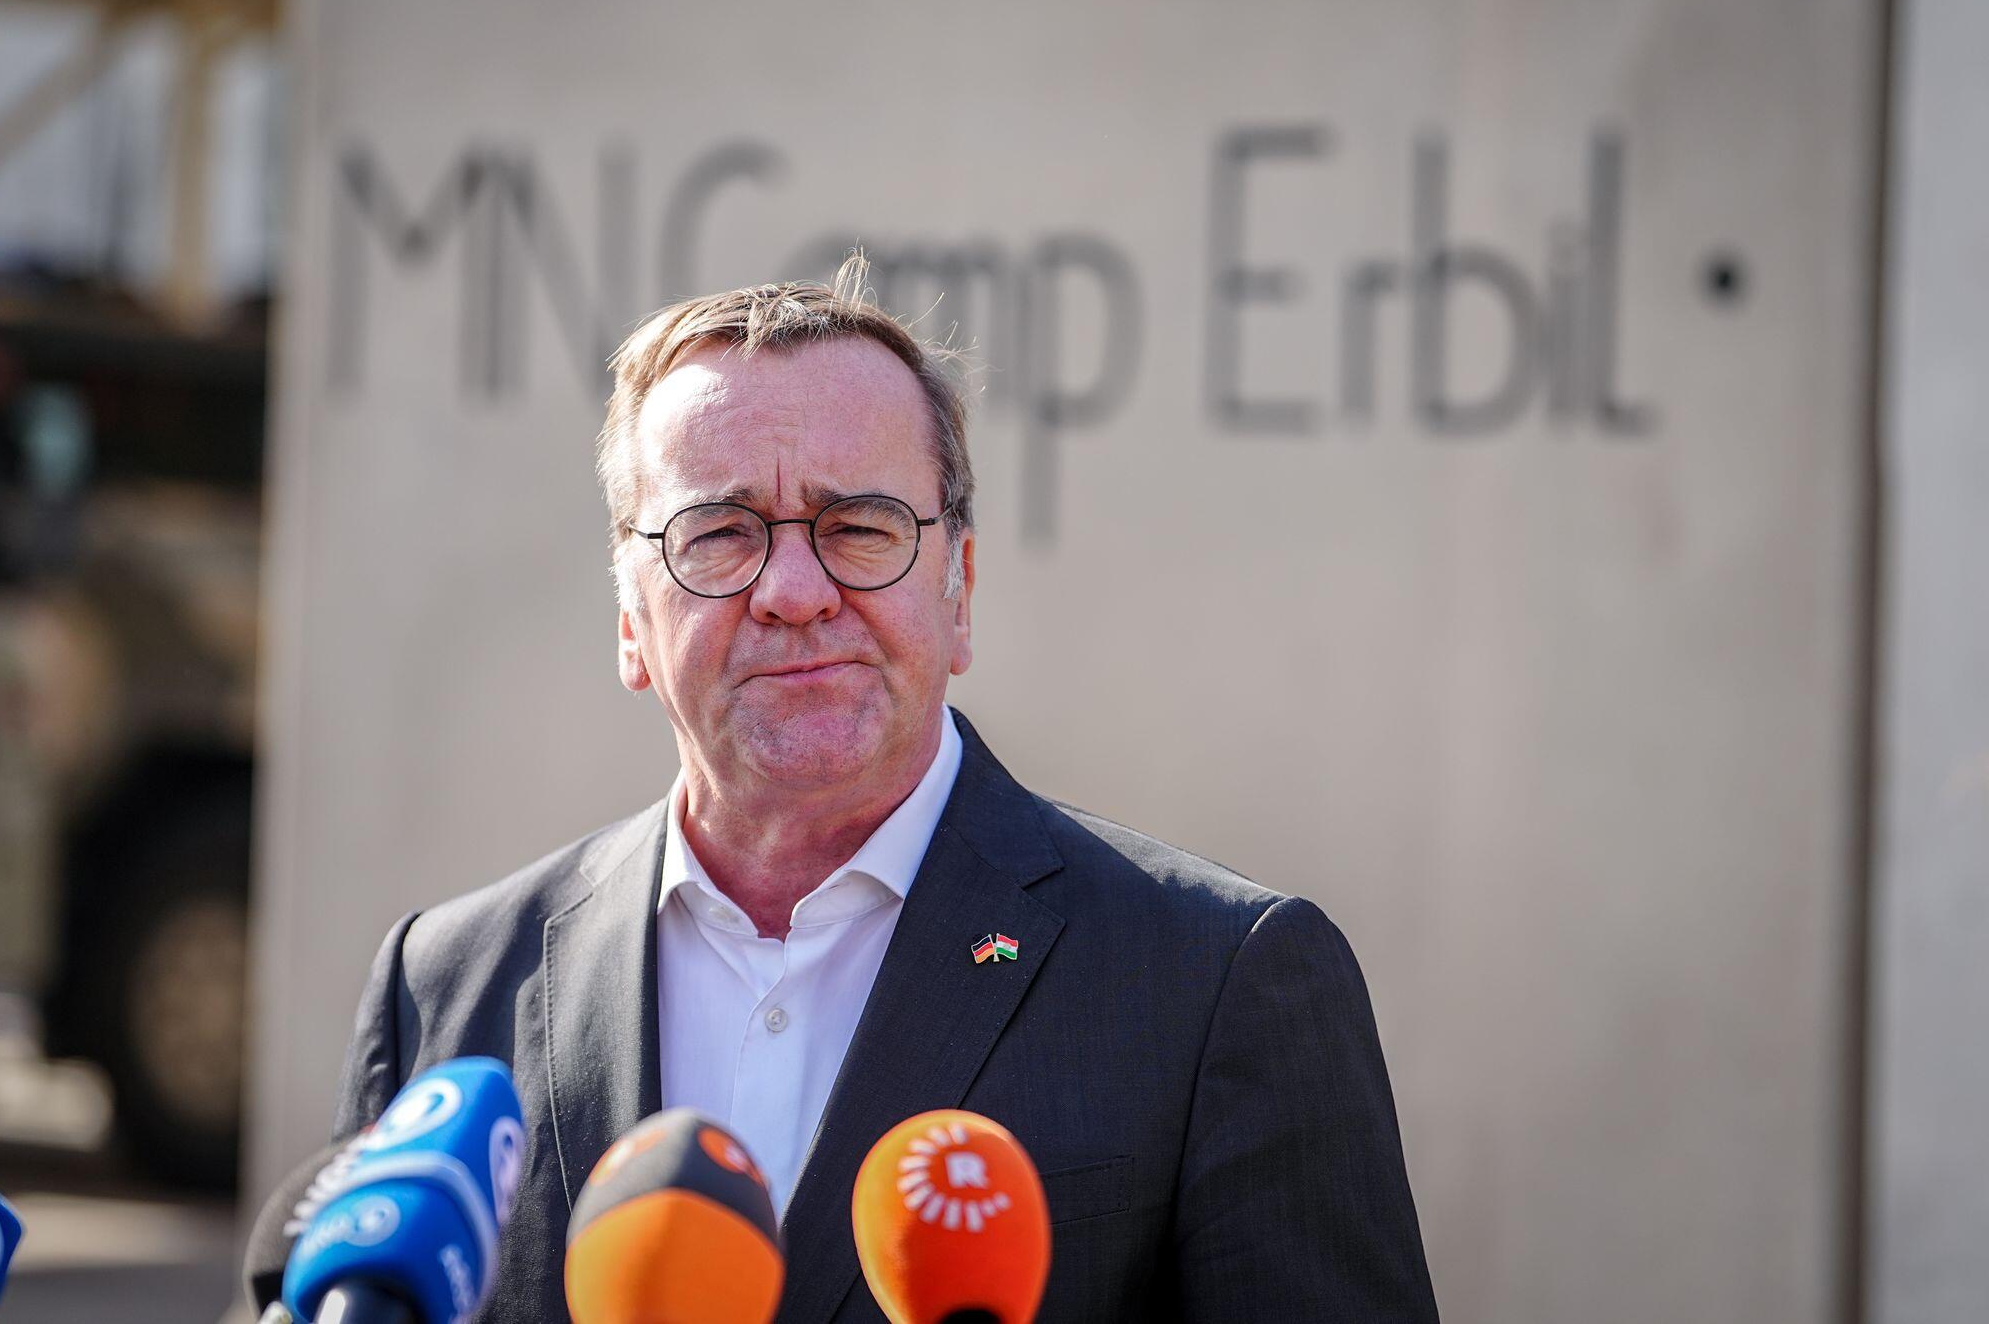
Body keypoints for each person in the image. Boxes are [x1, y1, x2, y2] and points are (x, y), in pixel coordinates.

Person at [332, 258, 1438, 1322]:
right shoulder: (445, 988)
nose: (794, 590)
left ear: (959, 591)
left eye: (859, 528)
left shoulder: (1217, 983)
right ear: (630, 619)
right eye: (721, 534)